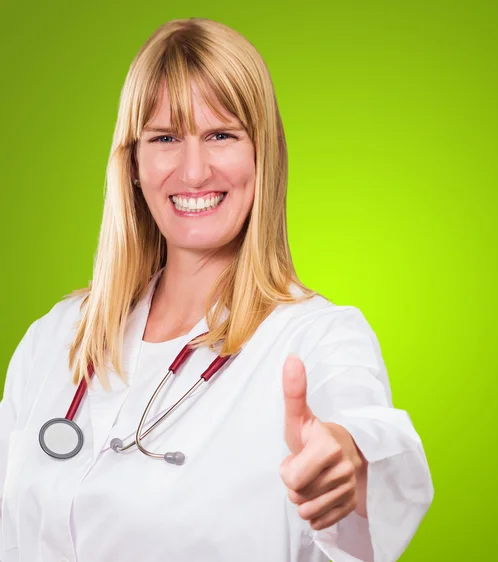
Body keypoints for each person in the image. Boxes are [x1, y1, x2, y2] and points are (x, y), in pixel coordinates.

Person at [0, 17, 433, 562]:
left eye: (221, 135)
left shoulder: (318, 339)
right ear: (133, 162)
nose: (194, 170)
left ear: (262, 155)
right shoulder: (56, 337)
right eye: (165, 138)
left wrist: (348, 462)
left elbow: (369, 442)